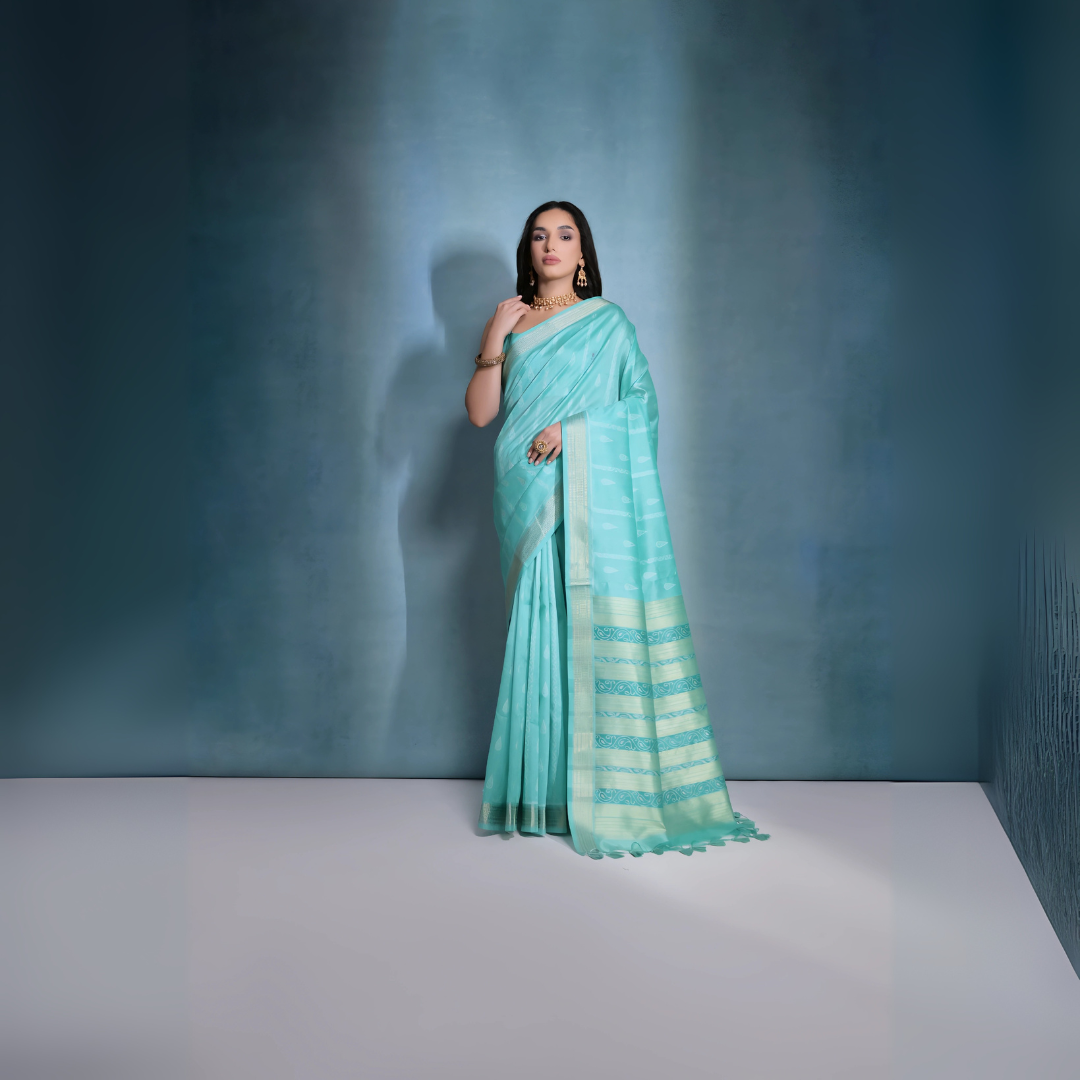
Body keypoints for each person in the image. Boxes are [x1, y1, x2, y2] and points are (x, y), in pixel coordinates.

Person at [465, 200, 768, 858]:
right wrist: (493, 340)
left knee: (581, 630)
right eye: (539, 235)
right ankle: (536, 795)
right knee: (536, 635)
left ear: (582, 251)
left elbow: (641, 407)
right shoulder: (513, 323)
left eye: (564, 235)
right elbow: (482, 415)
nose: (551, 245)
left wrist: (573, 433)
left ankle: (595, 792)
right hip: (524, 492)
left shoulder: (607, 324)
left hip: (579, 489)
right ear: (530, 250)